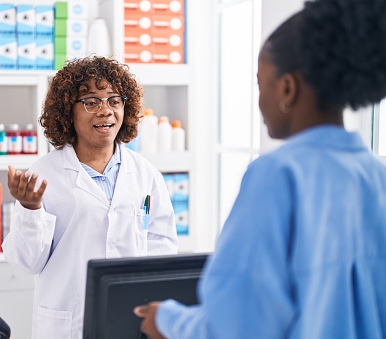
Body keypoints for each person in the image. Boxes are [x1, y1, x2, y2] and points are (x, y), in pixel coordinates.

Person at [134, 0, 386, 337]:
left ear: (286, 89)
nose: (258, 100)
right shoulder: (375, 174)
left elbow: (239, 323)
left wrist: (167, 321)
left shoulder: (278, 175)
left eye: (259, 83)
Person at [2, 56, 178, 339]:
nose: (105, 111)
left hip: (130, 317)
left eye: (114, 100)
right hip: (68, 323)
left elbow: (162, 244)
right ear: (68, 112)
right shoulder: (44, 173)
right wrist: (30, 209)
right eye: (91, 102)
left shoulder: (146, 174)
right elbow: (27, 262)